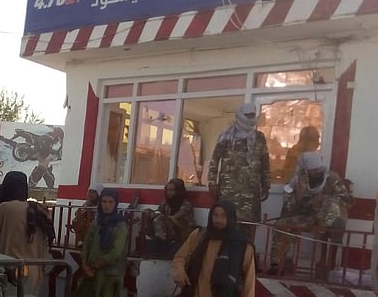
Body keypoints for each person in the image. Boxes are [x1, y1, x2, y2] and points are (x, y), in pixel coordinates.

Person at [49, 188, 127, 297]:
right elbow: (87, 243)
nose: (107, 205)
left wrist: (96, 265)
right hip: (90, 271)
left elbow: (116, 251)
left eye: (110, 202)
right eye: (104, 202)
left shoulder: (120, 225)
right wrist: (85, 263)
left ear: (116, 204)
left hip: (108, 274)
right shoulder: (97, 222)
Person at [268, 152, 352, 274]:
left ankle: (333, 226)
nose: (317, 172)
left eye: (319, 169)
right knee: (281, 225)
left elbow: (347, 201)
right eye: (313, 171)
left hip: (327, 217)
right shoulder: (296, 181)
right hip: (305, 216)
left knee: (331, 201)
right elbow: (287, 209)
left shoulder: (332, 179)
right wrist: (300, 194)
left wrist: (323, 199)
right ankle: (276, 265)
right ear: (306, 170)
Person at [207, 102, 270, 230]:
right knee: (227, 223)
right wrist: (212, 183)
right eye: (248, 115)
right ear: (240, 115)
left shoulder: (259, 137)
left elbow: (265, 162)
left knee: (248, 226)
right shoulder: (226, 136)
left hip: (250, 192)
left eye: (252, 115)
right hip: (229, 191)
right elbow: (214, 160)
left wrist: (266, 184)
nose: (250, 118)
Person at [143, 178, 197, 258]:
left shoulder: (186, 205)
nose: (169, 193)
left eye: (172, 190)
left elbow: (174, 218)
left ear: (178, 191)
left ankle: (159, 244)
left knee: (159, 219)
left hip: (181, 233)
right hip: (167, 233)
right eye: (167, 190)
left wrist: (158, 216)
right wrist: (150, 213)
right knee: (145, 214)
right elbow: (158, 212)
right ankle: (158, 242)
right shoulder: (165, 204)